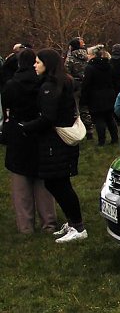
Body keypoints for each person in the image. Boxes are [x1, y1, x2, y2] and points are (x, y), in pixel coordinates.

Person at [21, 48, 87, 243]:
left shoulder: (50, 87)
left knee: (60, 183)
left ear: (47, 65)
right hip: (57, 141)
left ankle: (78, 226)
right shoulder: (60, 83)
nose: (34, 65)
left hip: (55, 142)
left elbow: (48, 118)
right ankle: (72, 221)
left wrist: (26, 127)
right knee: (54, 182)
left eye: (38, 62)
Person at [2, 48, 58, 234]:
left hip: (18, 134)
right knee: (42, 180)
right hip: (40, 133)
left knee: (20, 184)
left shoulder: (11, 85)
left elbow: (6, 109)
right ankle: (49, 222)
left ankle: (25, 226)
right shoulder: (42, 83)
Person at [81, 45, 119, 146]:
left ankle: (101, 141)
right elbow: (115, 81)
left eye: (88, 54)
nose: (87, 56)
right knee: (110, 117)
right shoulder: (109, 65)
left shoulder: (90, 68)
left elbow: (86, 85)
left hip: (95, 97)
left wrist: (83, 98)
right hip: (109, 95)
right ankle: (115, 138)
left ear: (93, 55)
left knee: (98, 119)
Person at [65, 37, 92, 139]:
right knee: (86, 108)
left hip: (75, 86)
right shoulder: (88, 57)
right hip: (87, 85)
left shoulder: (70, 59)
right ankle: (90, 131)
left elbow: (67, 73)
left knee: (76, 109)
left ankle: (78, 131)